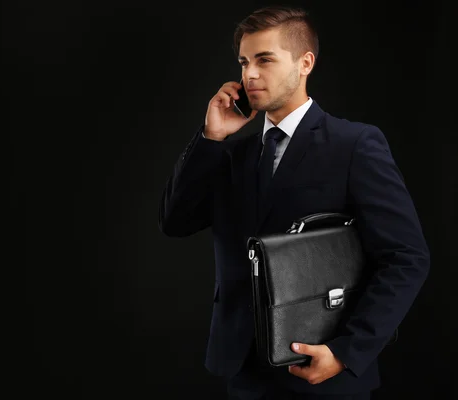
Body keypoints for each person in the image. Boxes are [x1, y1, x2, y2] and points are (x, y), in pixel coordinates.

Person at [158, 5, 430, 400]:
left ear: (305, 63)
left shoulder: (354, 144)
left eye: (264, 59)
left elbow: (407, 256)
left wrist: (346, 351)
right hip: (243, 369)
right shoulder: (232, 155)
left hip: (323, 367)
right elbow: (174, 221)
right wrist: (210, 139)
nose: (249, 74)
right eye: (244, 62)